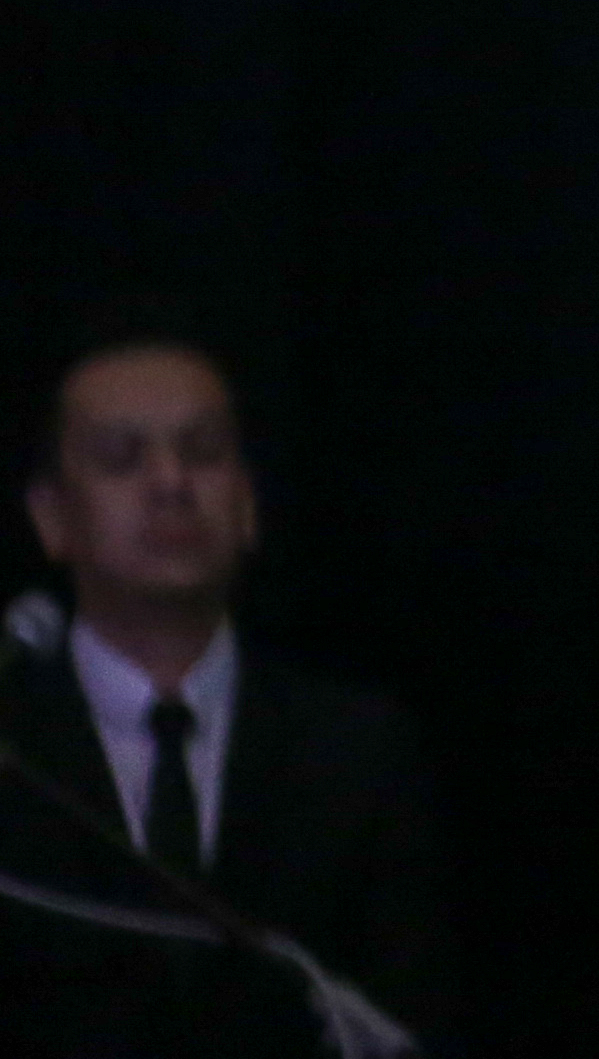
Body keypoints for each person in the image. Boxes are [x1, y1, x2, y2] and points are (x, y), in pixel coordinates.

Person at [3, 334, 453, 1057]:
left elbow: (403, 1018)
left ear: (247, 502)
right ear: (52, 515)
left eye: (204, 452)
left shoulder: (356, 751)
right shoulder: (13, 749)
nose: (171, 482)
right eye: (123, 457)